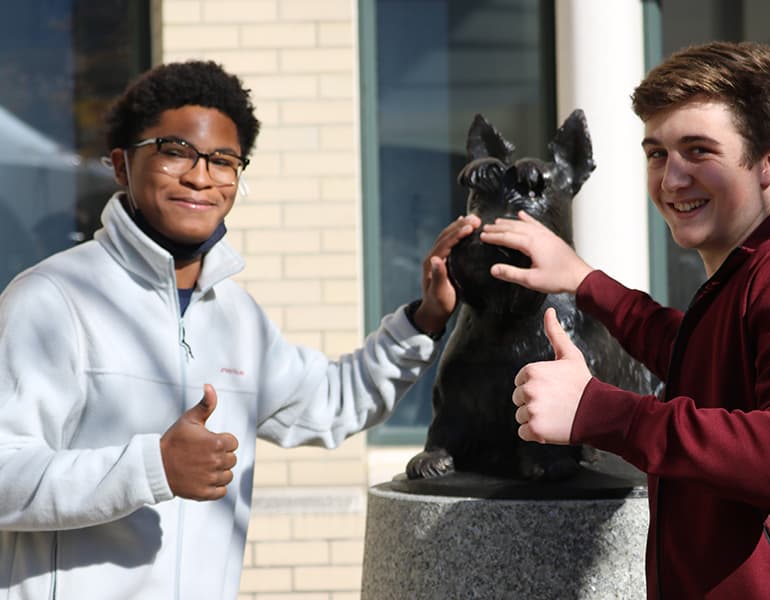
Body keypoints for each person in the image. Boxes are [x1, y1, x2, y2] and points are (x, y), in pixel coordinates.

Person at [0, 60, 477, 599]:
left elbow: (333, 402)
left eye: (223, 161)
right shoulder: (53, 299)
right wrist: (150, 466)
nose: (201, 176)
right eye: (175, 151)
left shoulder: (237, 316)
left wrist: (427, 318)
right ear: (120, 165)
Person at [480, 41, 770, 599]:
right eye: (657, 154)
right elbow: (699, 358)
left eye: (699, 151)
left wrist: (601, 412)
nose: (671, 180)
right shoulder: (750, 273)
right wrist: (584, 280)